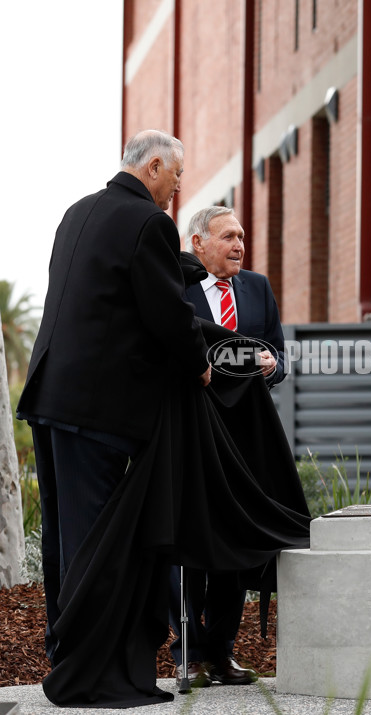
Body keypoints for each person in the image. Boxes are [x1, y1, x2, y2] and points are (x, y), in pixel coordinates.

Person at [17, 129, 211, 707]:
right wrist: (198, 363)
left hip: (51, 398)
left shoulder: (78, 213)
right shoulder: (149, 223)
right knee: (101, 543)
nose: (177, 191)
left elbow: (106, 291)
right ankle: (91, 675)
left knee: (66, 542)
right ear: (153, 167)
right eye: (176, 178)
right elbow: (165, 314)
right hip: (97, 410)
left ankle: (68, 655)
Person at [169, 206, 287, 689]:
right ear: (199, 243)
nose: (239, 244)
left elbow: (279, 354)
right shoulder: (177, 293)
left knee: (239, 547)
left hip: (247, 443)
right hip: (196, 438)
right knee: (194, 544)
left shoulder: (257, 287)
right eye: (227, 237)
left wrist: (270, 363)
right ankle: (189, 654)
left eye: (241, 236)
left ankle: (221, 653)